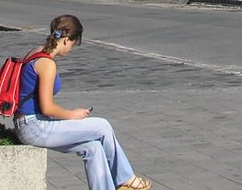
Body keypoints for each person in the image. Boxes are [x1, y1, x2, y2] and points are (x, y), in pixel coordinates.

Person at [13, 13, 151, 190]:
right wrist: (73, 115)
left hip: (29, 123)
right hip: (34, 127)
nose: (70, 50)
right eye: (73, 44)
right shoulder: (47, 64)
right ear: (66, 40)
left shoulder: (36, 51)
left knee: (93, 148)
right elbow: (47, 107)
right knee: (102, 126)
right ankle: (127, 179)